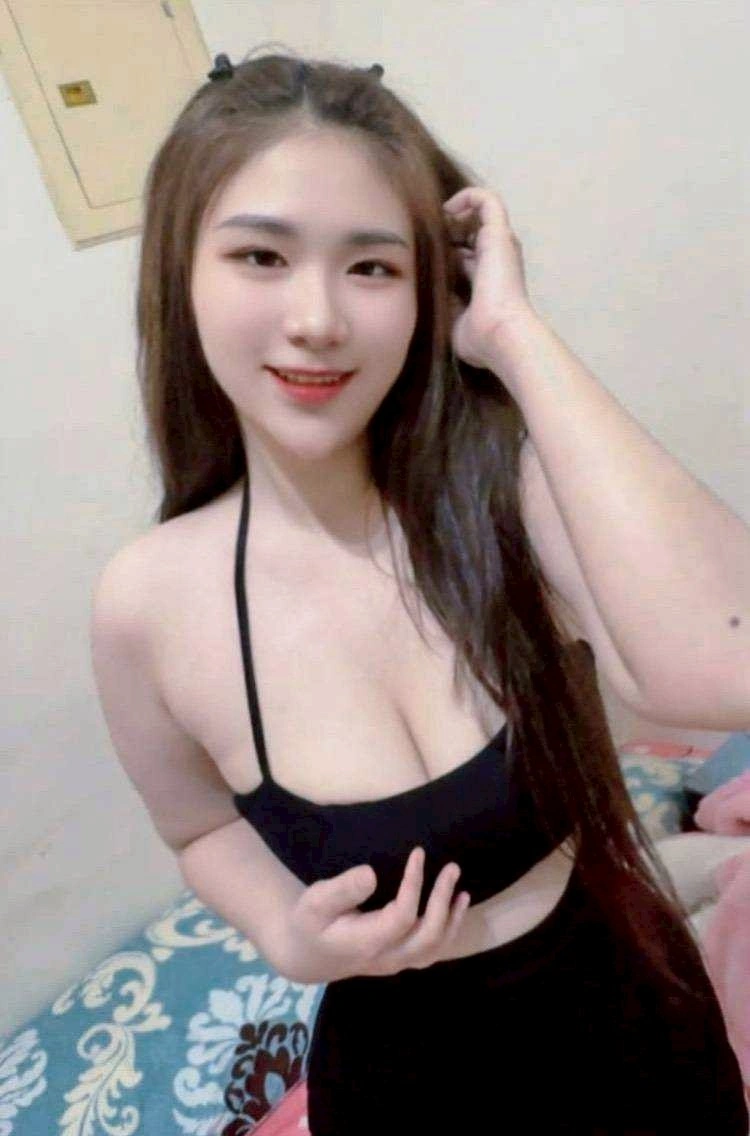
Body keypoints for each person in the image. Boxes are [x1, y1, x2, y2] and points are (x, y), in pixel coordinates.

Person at [90, 51, 750, 1133]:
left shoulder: (503, 491)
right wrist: (286, 934)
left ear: (430, 288)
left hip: (637, 1035)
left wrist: (515, 337)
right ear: (181, 274)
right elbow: (198, 828)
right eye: (260, 255)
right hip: (405, 1090)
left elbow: (728, 661)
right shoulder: (146, 605)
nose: (317, 318)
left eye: (372, 266)